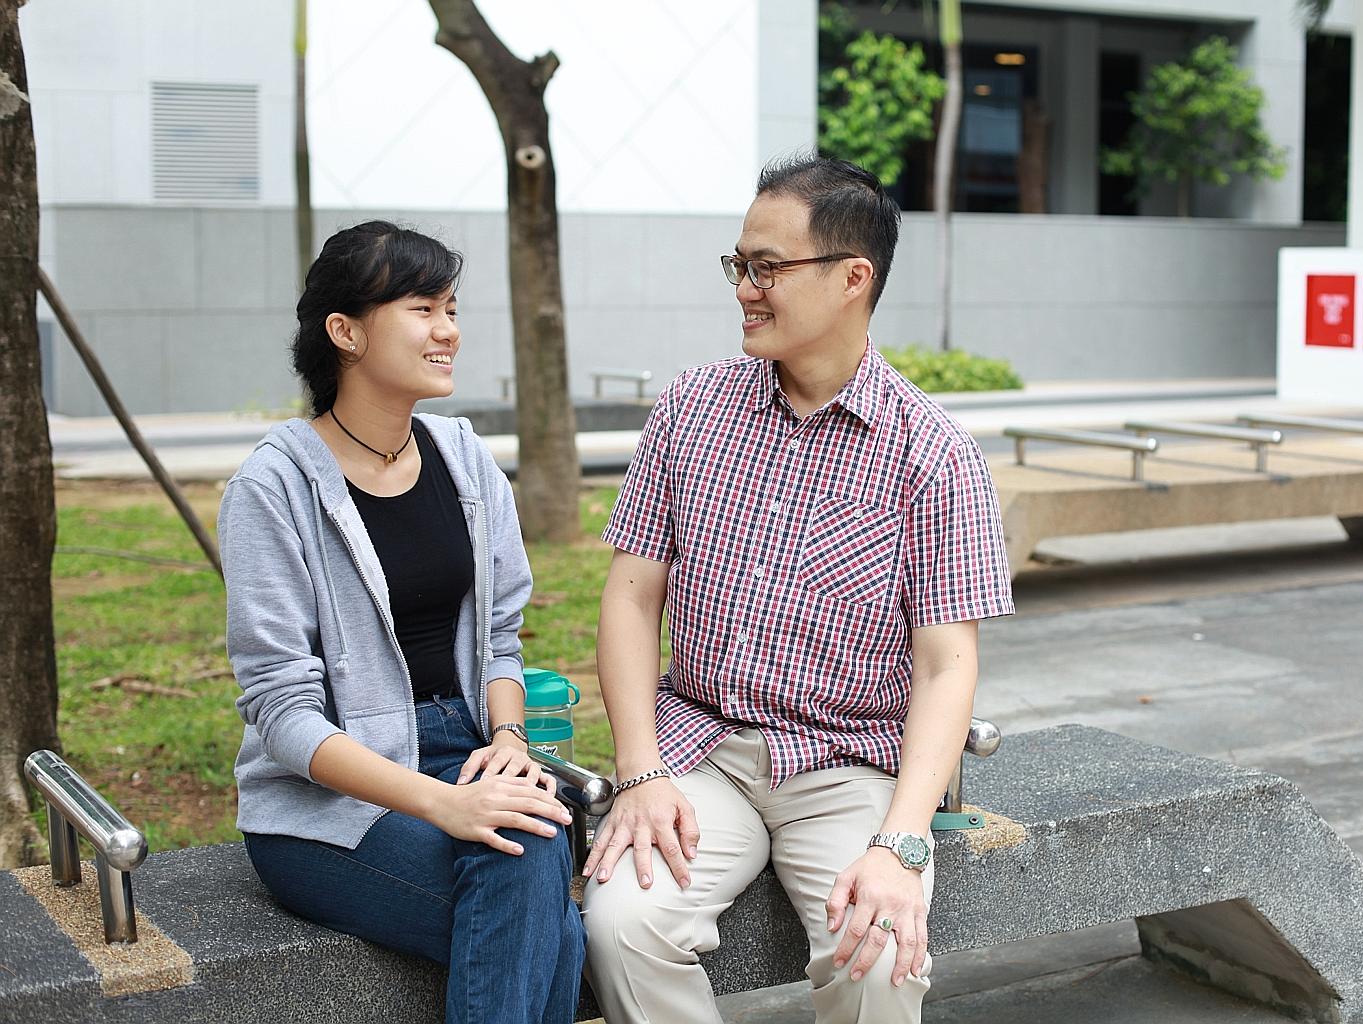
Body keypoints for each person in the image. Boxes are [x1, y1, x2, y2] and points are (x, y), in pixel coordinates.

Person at [581, 156, 1015, 1024]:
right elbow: (630, 599)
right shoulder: (690, 410)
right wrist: (639, 771)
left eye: (768, 267)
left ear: (854, 278)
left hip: (847, 762)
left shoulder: (932, 452)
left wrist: (902, 842)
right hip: (699, 748)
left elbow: (945, 667)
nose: (745, 287)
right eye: (739, 264)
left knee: (881, 953)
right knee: (621, 921)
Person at [219, 221, 584, 1024]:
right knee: (547, 916)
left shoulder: (464, 458)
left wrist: (510, 742)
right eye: (423, 308)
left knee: (525, 858)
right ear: (344, 332)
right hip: (328, 800)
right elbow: (283, 713)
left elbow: (497, 637)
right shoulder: (272, 490)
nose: (448, 330)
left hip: (467, 742)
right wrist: (441, 804)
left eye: (452, 307)